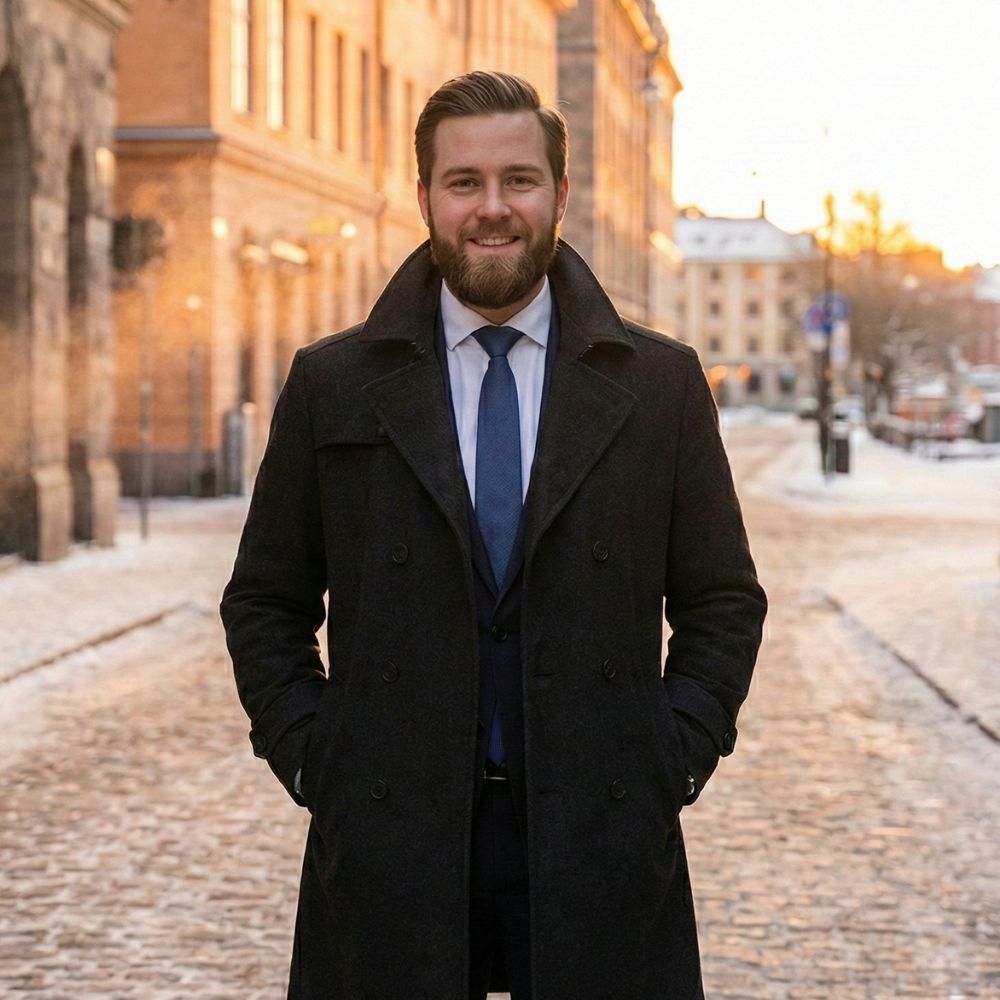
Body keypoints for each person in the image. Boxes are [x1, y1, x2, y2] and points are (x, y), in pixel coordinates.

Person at [221, 70, 767, 1000]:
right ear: (425, 195)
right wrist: (319, 753)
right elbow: (265, 601)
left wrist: (670, 747)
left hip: (601, 827)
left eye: (518, 180)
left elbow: (722, 599)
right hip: (395, 834)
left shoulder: (664, 385)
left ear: (560, 193)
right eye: (463, 182)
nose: (492, 209)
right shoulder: (334, 382)